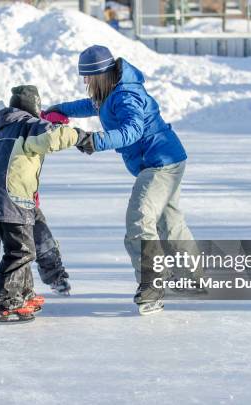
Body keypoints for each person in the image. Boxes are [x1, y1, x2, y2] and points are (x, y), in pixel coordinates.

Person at [45, 45, 199, 315]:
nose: (85, 82)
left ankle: (152, 283)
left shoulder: (127, 95)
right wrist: (60, 109)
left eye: (88, 77)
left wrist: (94, 140)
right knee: (169, 222)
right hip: (165, 159)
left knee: (140, 218)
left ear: (101, 75)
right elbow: (89, 106)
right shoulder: (110, 93)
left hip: (160, 162)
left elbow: (132, 131)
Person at [0, 85, 90, 323]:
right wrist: (81, 137)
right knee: (20, 252)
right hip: (13, 199)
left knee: (24, 249)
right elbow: (53, 136)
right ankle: (5, 303)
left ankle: (24, 295)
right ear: (34, 108)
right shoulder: (28, 126)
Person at [0, 102, 71, 299]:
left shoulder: (17, 133)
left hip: (26, 205)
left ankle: (56, 277)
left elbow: (41, 121)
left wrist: (59, 117)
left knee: (42, 241)